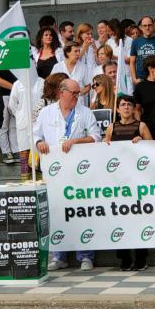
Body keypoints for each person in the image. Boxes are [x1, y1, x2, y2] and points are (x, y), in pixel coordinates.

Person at [33, 79, 102, 271]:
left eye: (78, 93)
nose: (76, 96)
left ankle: (86, 256)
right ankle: (59, 256)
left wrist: (76, 141)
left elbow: (96, 137)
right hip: (55, 173)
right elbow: (35, 134)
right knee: (57, 211)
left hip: (80, 171)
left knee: (82, 212)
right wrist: (39, 143)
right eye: (73, 93)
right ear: (61, 92)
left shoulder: (85, 112)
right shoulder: (46, 112)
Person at [105, 95, 152, 271]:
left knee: (139, 219)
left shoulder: (141, 126)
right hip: (117, 182)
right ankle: (124, 257)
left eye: (129, 105)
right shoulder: (111, 127)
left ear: (134, 109)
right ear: (117, 109)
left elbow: (154, 149)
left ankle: (141, 257)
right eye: (122, 105)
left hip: (138, 182)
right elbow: (104, 148)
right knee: (119, 219)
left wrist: (142, 141)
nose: (125, 107)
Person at [50, 41, 91, 106]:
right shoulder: (57, 67)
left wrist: (79, 92)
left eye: (79, 51)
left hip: (79, 103)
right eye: (75, 51)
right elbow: (51, 85)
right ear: (67, 53)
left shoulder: (83, 67)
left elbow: (88, 86)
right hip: (61, 103)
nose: (78, 54)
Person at [130, 16, 155, 85]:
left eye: (149, 25)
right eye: (144, 26)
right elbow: (132, 62)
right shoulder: (136, 42)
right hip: (140, 79)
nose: (147, 28)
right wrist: (134, 79)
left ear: (154, 26)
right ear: (140, 27)